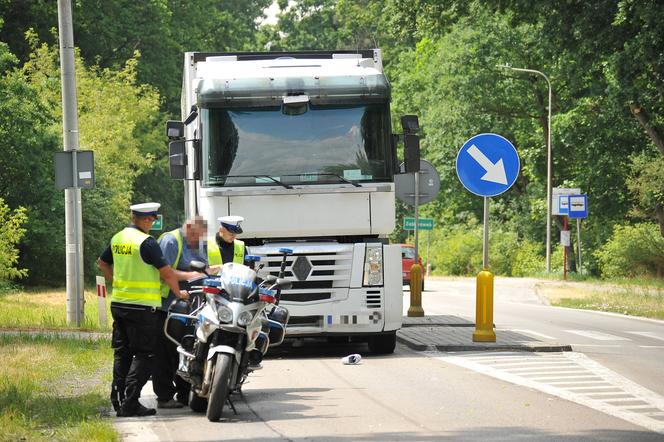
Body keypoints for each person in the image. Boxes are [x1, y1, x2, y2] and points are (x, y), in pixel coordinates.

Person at [97, 202, 188, 417]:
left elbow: (102, 263)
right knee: (145, 354)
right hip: (143, 309)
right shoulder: (146, 243)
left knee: (123, 353)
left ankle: (118, 400)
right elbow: (166, 273)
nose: (153, 223)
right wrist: (179, 293)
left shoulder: (118, 238)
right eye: (153, 219)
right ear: (146, 219)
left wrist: (117, 282)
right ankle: (130, 403)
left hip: (119, 304)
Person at [152, 216, 208, 409]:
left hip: (191, 308)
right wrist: (189, 276)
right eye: (196, 236)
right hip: (167, 305)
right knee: (166, 353)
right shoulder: (170, 241)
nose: (198, 241)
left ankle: (185, 395)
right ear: (189, 228)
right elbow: (163, 271)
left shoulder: (199, 243)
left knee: (186, 350)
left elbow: (203, 269)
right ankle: (164, 396)